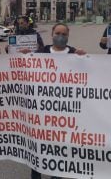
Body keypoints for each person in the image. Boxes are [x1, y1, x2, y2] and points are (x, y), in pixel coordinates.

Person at [31, 23, 85, 179]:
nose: (60, 37)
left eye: (64, 34)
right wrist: (25, 56)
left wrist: (85, 59)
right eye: (57, 33)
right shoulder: (42, 52)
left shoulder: (74, 53)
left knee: (59, 146)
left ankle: (57, 175)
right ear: (52, 34)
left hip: (63, 111)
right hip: (42, 109)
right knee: (39, 145)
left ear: (68, 36)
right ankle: (36, 174)